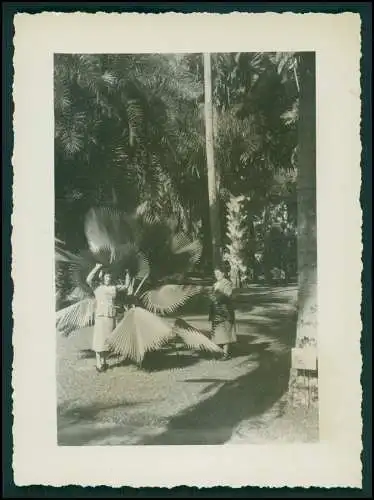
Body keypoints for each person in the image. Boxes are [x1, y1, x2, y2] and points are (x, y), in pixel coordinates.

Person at [86, 263, 132, 372]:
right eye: (106, 276)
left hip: (111, 316)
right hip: (100, 316)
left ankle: (104, 362)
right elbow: (88, 279)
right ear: (102, 278)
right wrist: (96, 267)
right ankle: (98, 364)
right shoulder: (97, 287)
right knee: (99, 340)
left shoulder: (114, 288)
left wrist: (128, 274)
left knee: (107, 341)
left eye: (110, 277)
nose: (108, 278)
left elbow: (126, 286)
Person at [209, 267, 237, 360]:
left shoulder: (227, 283)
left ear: (223, 274)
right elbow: (211, 295)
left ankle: (226, 354)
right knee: (217, 332)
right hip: (215, 311)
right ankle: (219, 352)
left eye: (218, 273)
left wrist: (216, 298)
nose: (216, 275)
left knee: (225, 332)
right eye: (215, 274)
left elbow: (228, 295)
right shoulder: (215, 284)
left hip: (225, 311)